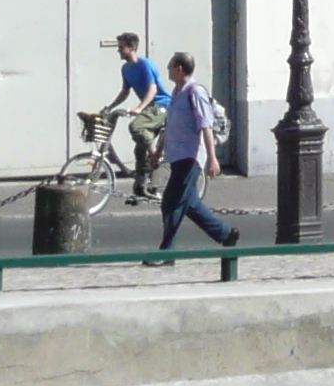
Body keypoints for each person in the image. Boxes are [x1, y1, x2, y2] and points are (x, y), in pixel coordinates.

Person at [154, 50, 240, 254]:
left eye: (170, 66)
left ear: (179, 69)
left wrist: (212, 158)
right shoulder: (177, 92)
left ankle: (167, 253)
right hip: (177, 157)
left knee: (171, 203)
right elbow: (170, 125)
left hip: (190, 158)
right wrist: (158, 151)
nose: (167, 70)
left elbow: (205, 126)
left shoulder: (195, 92)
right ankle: (226, 234)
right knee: (190, 204)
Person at [99, 33, 165, 203]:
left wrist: (139, 108)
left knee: (136, 127)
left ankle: (156, 155)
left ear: (132, 48)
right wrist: (110, 107)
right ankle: (141, 190)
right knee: (139, 149)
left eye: (121, 47)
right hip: (149, 108)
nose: (118, 51)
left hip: (162, 106)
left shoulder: (145, 65)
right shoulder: (126, 69)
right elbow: (125, 91)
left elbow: (153, 90)